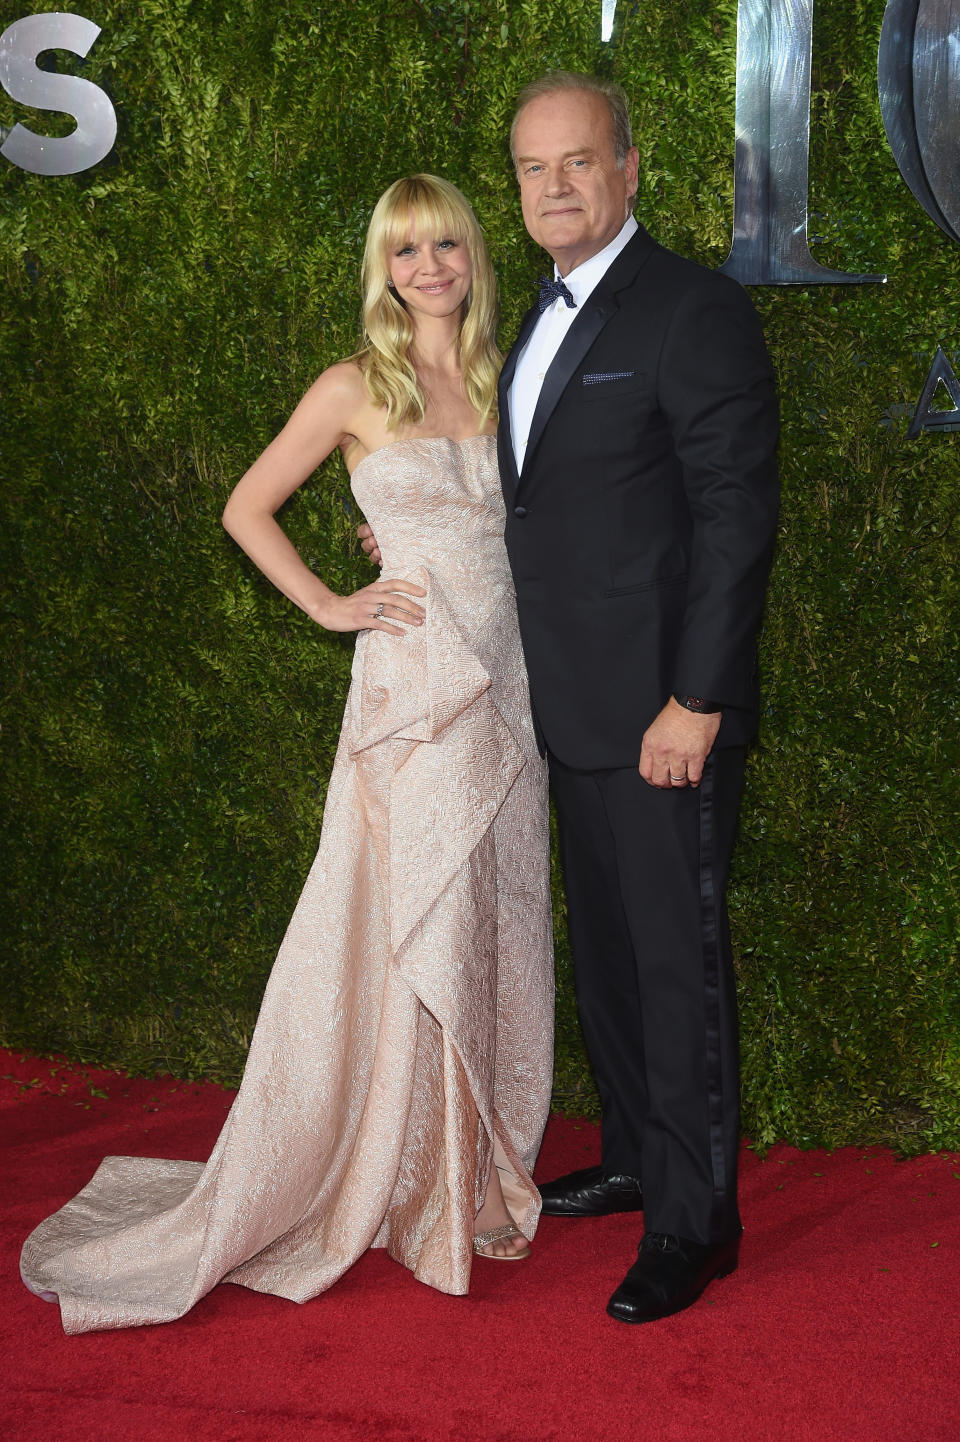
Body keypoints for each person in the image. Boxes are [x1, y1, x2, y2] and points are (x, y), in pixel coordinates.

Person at [19, 174, 554, 1334]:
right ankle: (403, 1184)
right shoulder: (353, 385)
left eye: (447, 242)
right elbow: (245, 506)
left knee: (490, 919)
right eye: (407, 249)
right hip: (414, 695)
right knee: (414, 919)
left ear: (475, 253)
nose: (430, 265)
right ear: (383, 264)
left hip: (508, 690)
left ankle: (451, 1170)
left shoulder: (513, 375)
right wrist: (327, 600)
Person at [366, 74, 780, 1320]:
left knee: (676, 960)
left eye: (578, 162)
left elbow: (734, 516)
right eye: (534, 168)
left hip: (664, 715)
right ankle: (642, 1157)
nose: (555, 185)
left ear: (629, 168)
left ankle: (697, 1225)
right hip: (562, 712)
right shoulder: (530, 323)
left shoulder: (691, 310)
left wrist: (695, 697)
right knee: (609, 957)